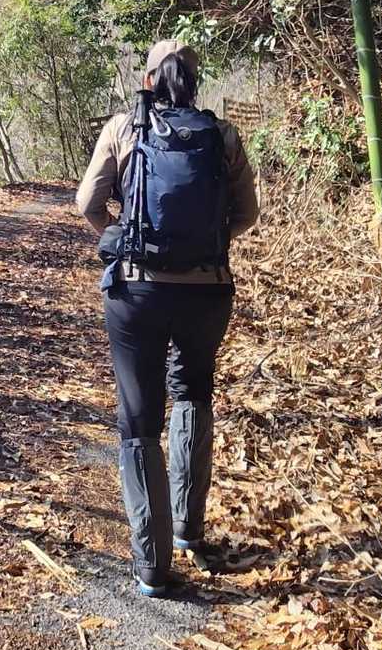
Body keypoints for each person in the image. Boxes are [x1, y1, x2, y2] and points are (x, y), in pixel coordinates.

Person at [76, 38, 258, 596]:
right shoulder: (222, 135)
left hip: (137, 292)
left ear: (149, 79)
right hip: (208, 292)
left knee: (139, 420)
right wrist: (206, 246)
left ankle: (152, 566)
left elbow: (86, 203)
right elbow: (248, 213)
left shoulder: (123, 129)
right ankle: (187, 528)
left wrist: (121, 236)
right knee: (193, 393)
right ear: (194, 81)